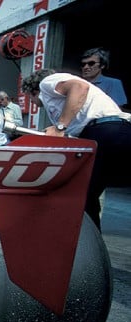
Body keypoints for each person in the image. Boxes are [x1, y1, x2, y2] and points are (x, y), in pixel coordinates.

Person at [21, 68, 131, 230]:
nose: (31, 102)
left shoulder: (47, 83)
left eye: (30, 97)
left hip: (106, 131)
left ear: (34, 90)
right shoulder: (63, 106)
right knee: (87, 195)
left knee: (79, 194)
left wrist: (60, 126)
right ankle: (91, 244)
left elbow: (79, 87)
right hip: (115, 134)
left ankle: (87, 247)